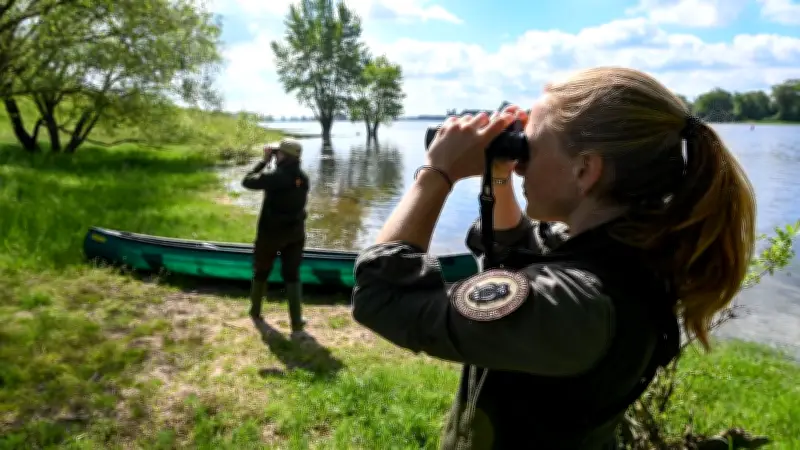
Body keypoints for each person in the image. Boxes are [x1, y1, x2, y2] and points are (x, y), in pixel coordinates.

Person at [350, 67, 756, 449]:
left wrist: (436, 173)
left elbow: (382, 297)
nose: (523, 163)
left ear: (585, 170)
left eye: (532, 144)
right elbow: (524, 255)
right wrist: (500, 172)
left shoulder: (579, 305)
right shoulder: (632, 252)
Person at [242, 137, 310, 337]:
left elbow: (247, 181)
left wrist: (263, 161)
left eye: (277, 152)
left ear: (283, 156)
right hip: (295, 234)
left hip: (270, 235)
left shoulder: (274, 176)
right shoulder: (303, 177)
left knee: (261, 270)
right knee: (292, 275)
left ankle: (255, 312)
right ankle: (296, 324)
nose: (275, 154)